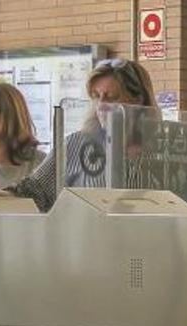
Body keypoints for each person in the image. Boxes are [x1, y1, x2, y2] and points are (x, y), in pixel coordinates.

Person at [10, 58, 157, 211]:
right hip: (89, 234)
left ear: (138, 100)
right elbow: (35, 191)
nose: (101, 105)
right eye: (96, 96)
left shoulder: (163, 150)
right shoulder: (76, 144)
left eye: (111, 97)